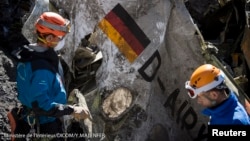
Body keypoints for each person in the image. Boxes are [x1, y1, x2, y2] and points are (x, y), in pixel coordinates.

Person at [7, 12, 90, 141]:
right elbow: (42, 105)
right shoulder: (41, 68)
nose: (62, 41)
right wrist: (72, 110)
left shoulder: (29, 54)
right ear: (49, 39)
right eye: (60, 38)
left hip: (32, 117)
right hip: (44, 126)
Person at [185, 64, 250, 125]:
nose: (198, 101)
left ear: (214, 95)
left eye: (199, 97)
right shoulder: (220, 110)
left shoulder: (235, 123)